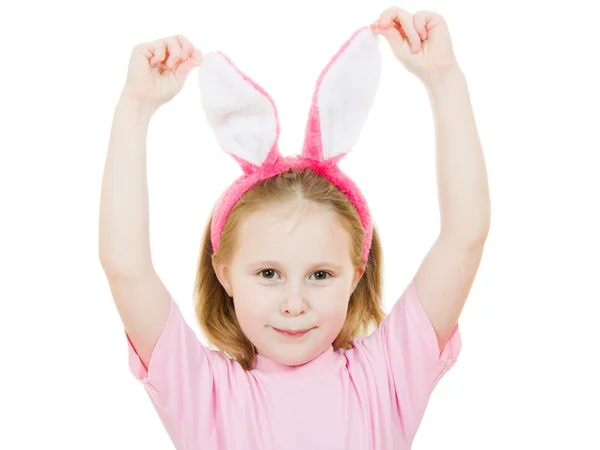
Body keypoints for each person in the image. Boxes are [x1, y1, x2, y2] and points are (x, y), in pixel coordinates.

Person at [99, 5, 490, 450]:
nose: (293, 304)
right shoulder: (203, 392)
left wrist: (444, 79)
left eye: (320, 275)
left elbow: (465, 235)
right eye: (268, 273)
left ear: (355, 274)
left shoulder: (386, 376)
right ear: (225, 273)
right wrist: (134, 108)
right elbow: (125, 267)